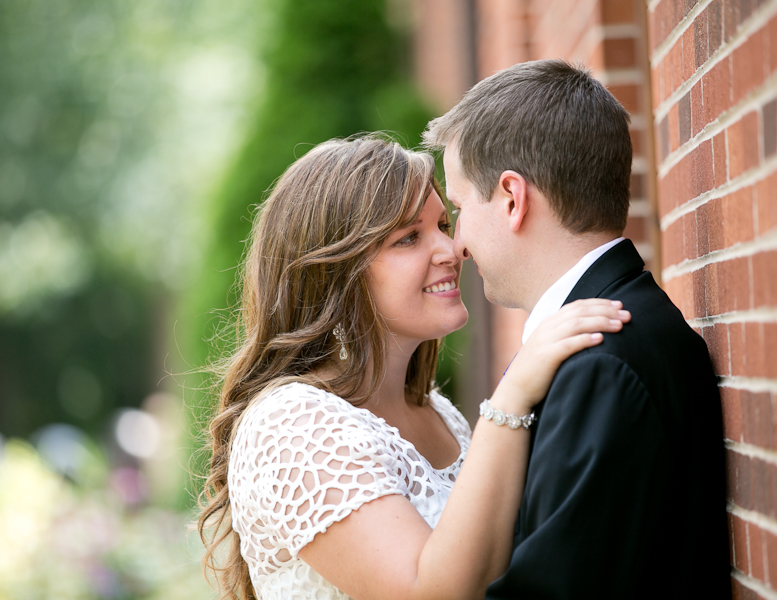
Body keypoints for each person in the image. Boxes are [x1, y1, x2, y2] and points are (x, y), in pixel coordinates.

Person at [197, 136, 630, 600]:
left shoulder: (438, 414)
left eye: (444, 224)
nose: (452, 248)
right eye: (409, 237)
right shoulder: (292, 426)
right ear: (333, 275)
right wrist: (511, 396)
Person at [422, 59, 731, 598]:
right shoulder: (615, 334)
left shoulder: (600, 365)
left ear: (513, 199)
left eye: (459, 207)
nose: (457, 245)